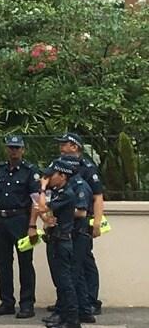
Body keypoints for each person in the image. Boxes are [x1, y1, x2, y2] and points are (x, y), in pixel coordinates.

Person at [0, 134, 39, 319]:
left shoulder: (30, 171)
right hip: (3, 221)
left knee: (25, 263)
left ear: (23, 150)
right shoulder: (0, 169)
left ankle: (27, 304)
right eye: (10, 147)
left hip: (21, 220)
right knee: (1, 262)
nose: (13, 151)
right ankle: (7, 302)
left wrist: (32, 225)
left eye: (17, 148)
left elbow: (35, 201)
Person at [38, 157, 92, 328]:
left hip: (63, 242)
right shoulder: (62, 191)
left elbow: (43, 207)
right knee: (62, 283)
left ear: (62, 175)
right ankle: (66, 318)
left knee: (66, 283)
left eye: (52, 175)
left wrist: (42, 188)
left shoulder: (67, 193)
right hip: (57, 239)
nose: (49, 178)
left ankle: (72, 322)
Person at [56, 132, 104, 316]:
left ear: (75, 147)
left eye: (64, 144)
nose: (61, 147)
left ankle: (91, 300)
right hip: (67, 222)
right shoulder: (60, 165)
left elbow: (97, 196)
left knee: (84, 261)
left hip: (82, 220)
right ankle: (69, 301)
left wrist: (97, 222)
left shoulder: (87, 168)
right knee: (70, 264)